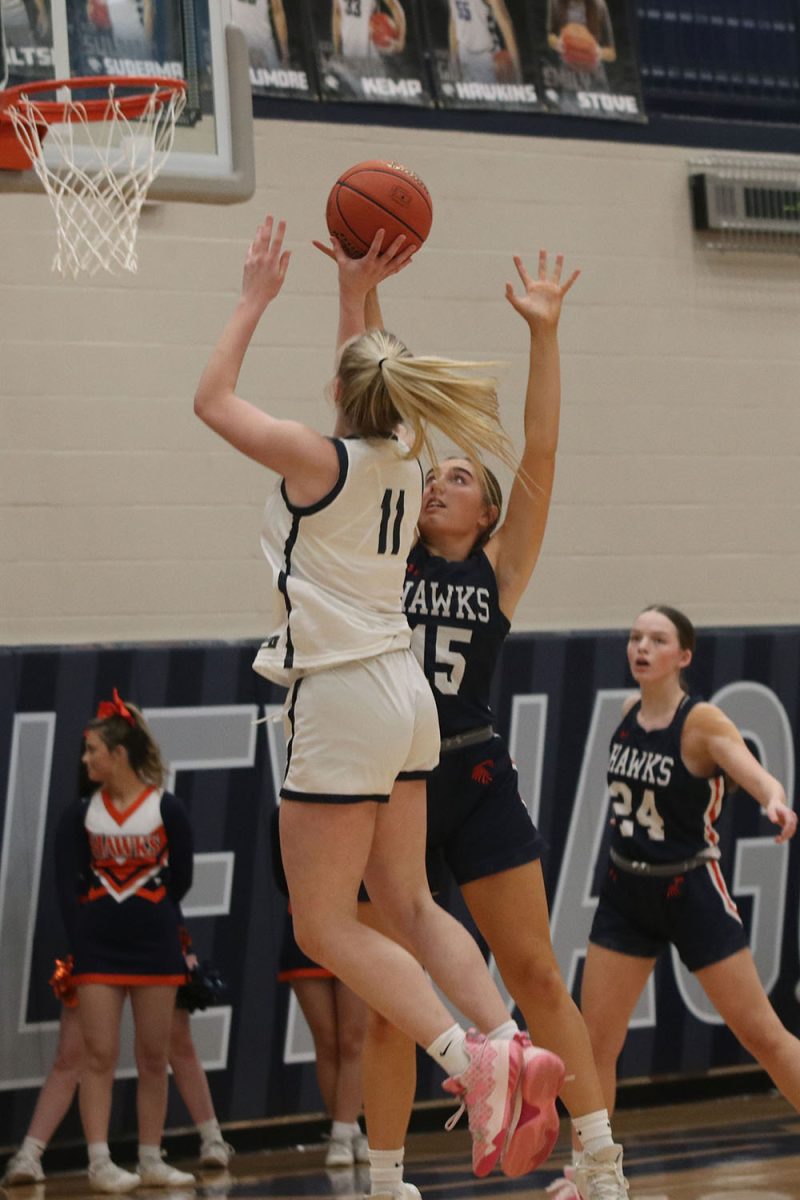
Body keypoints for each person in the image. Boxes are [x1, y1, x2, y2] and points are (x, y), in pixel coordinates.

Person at [193, 214, 567, 1180]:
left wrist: (252, 299)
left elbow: (211, 401)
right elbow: (363, 381)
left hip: (344, 693)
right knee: (406, 900)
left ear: (343, 393)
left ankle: (467, 1064)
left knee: (325, 924)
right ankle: (508, 1043)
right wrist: (353, 296)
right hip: (408, 698)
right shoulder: (401, 452)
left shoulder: (321, 460)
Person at [343, 254, 627, 1200]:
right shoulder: (390, 551)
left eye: (458, 477)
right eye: (437, 475)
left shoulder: (498, 570)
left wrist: (543, 333)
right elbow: (378, 401)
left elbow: (540, 453)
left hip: (471, 779)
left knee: (538, 975)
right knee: (390, 1009)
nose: (438, 484)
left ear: (487, 509)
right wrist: (363, 293)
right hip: (392, 790)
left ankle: (599, 1160)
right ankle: (385, 1179)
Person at [551, 604, 800, 1198]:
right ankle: (590, 1172)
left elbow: (749, 767)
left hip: (690, 888)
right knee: (595, 1044)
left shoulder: (702, 721)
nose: (641, 647)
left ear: (682, 656)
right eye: (635, 637)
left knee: (762, 1035)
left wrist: (773, 798)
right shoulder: (625, 711)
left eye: (656, 639)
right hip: (625, 889)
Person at [54, 690, 197, 1194]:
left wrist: (151, 916)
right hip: (98, 951)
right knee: (98, 1054)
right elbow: (66, 885)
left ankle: (151, 1157)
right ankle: (99, 1162)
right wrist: (85, 937)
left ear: (119, 754)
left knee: (153, 1056)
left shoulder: (167, 808)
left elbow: (180, 878)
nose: (85, 758)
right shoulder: (80, 815)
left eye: (93, 749)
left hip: (155, 947)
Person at [2, 960, 231, 1187]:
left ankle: (211, 1140)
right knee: (73, 1053)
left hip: (154, 944)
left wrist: (185, 949)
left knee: (171, 1045)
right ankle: (30, 1155)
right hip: (100, 944)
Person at [271, 807, 369, 1169]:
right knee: (327, 1041)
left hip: (355, 927)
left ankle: (343, 1133)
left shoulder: (362, 803)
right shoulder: (284, 812)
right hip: (306, 931)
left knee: (353, 1039)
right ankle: (347, 1131)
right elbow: (282, 879)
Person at [448, 0, 521, 85]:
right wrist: (453, 57)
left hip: (484, 57)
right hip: (467, 56)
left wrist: (517, 70)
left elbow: (506, 25)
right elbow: (454, 22)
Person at [332, 0, 406, 59]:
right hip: (348, 51)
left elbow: (395, 7)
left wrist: (400, 41)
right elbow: (337, 14)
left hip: (371, 54)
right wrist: (337, 48)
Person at [231, 0, 289, 71]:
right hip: (238, 43)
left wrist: (284, 49)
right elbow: (277, 11)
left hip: (264, 45)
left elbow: (277, 11)